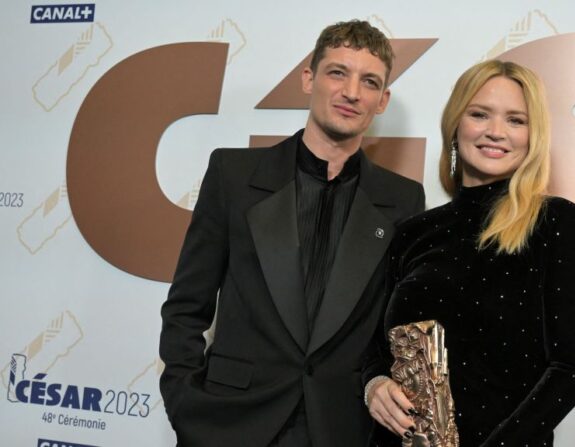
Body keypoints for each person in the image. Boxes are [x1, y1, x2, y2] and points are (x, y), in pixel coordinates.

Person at [159, 20, 425, 447]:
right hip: (229, 422)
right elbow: (186, 305)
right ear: (308, 79)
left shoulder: (403, 200)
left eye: (369, 81)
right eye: (338, 72)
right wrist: (185, 401)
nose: (352, 92)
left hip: (339, 428)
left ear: (382, 101)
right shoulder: (234, 176)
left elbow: (390, 325)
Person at [363, 60, 575, 446]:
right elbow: (376, 345)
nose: (495, 132)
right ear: (456, 124)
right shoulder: (412, 233)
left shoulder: (560, 225)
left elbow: (573, 368)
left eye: (515, 120)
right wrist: (374, 384)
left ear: (533, 134)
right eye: (479, 114)